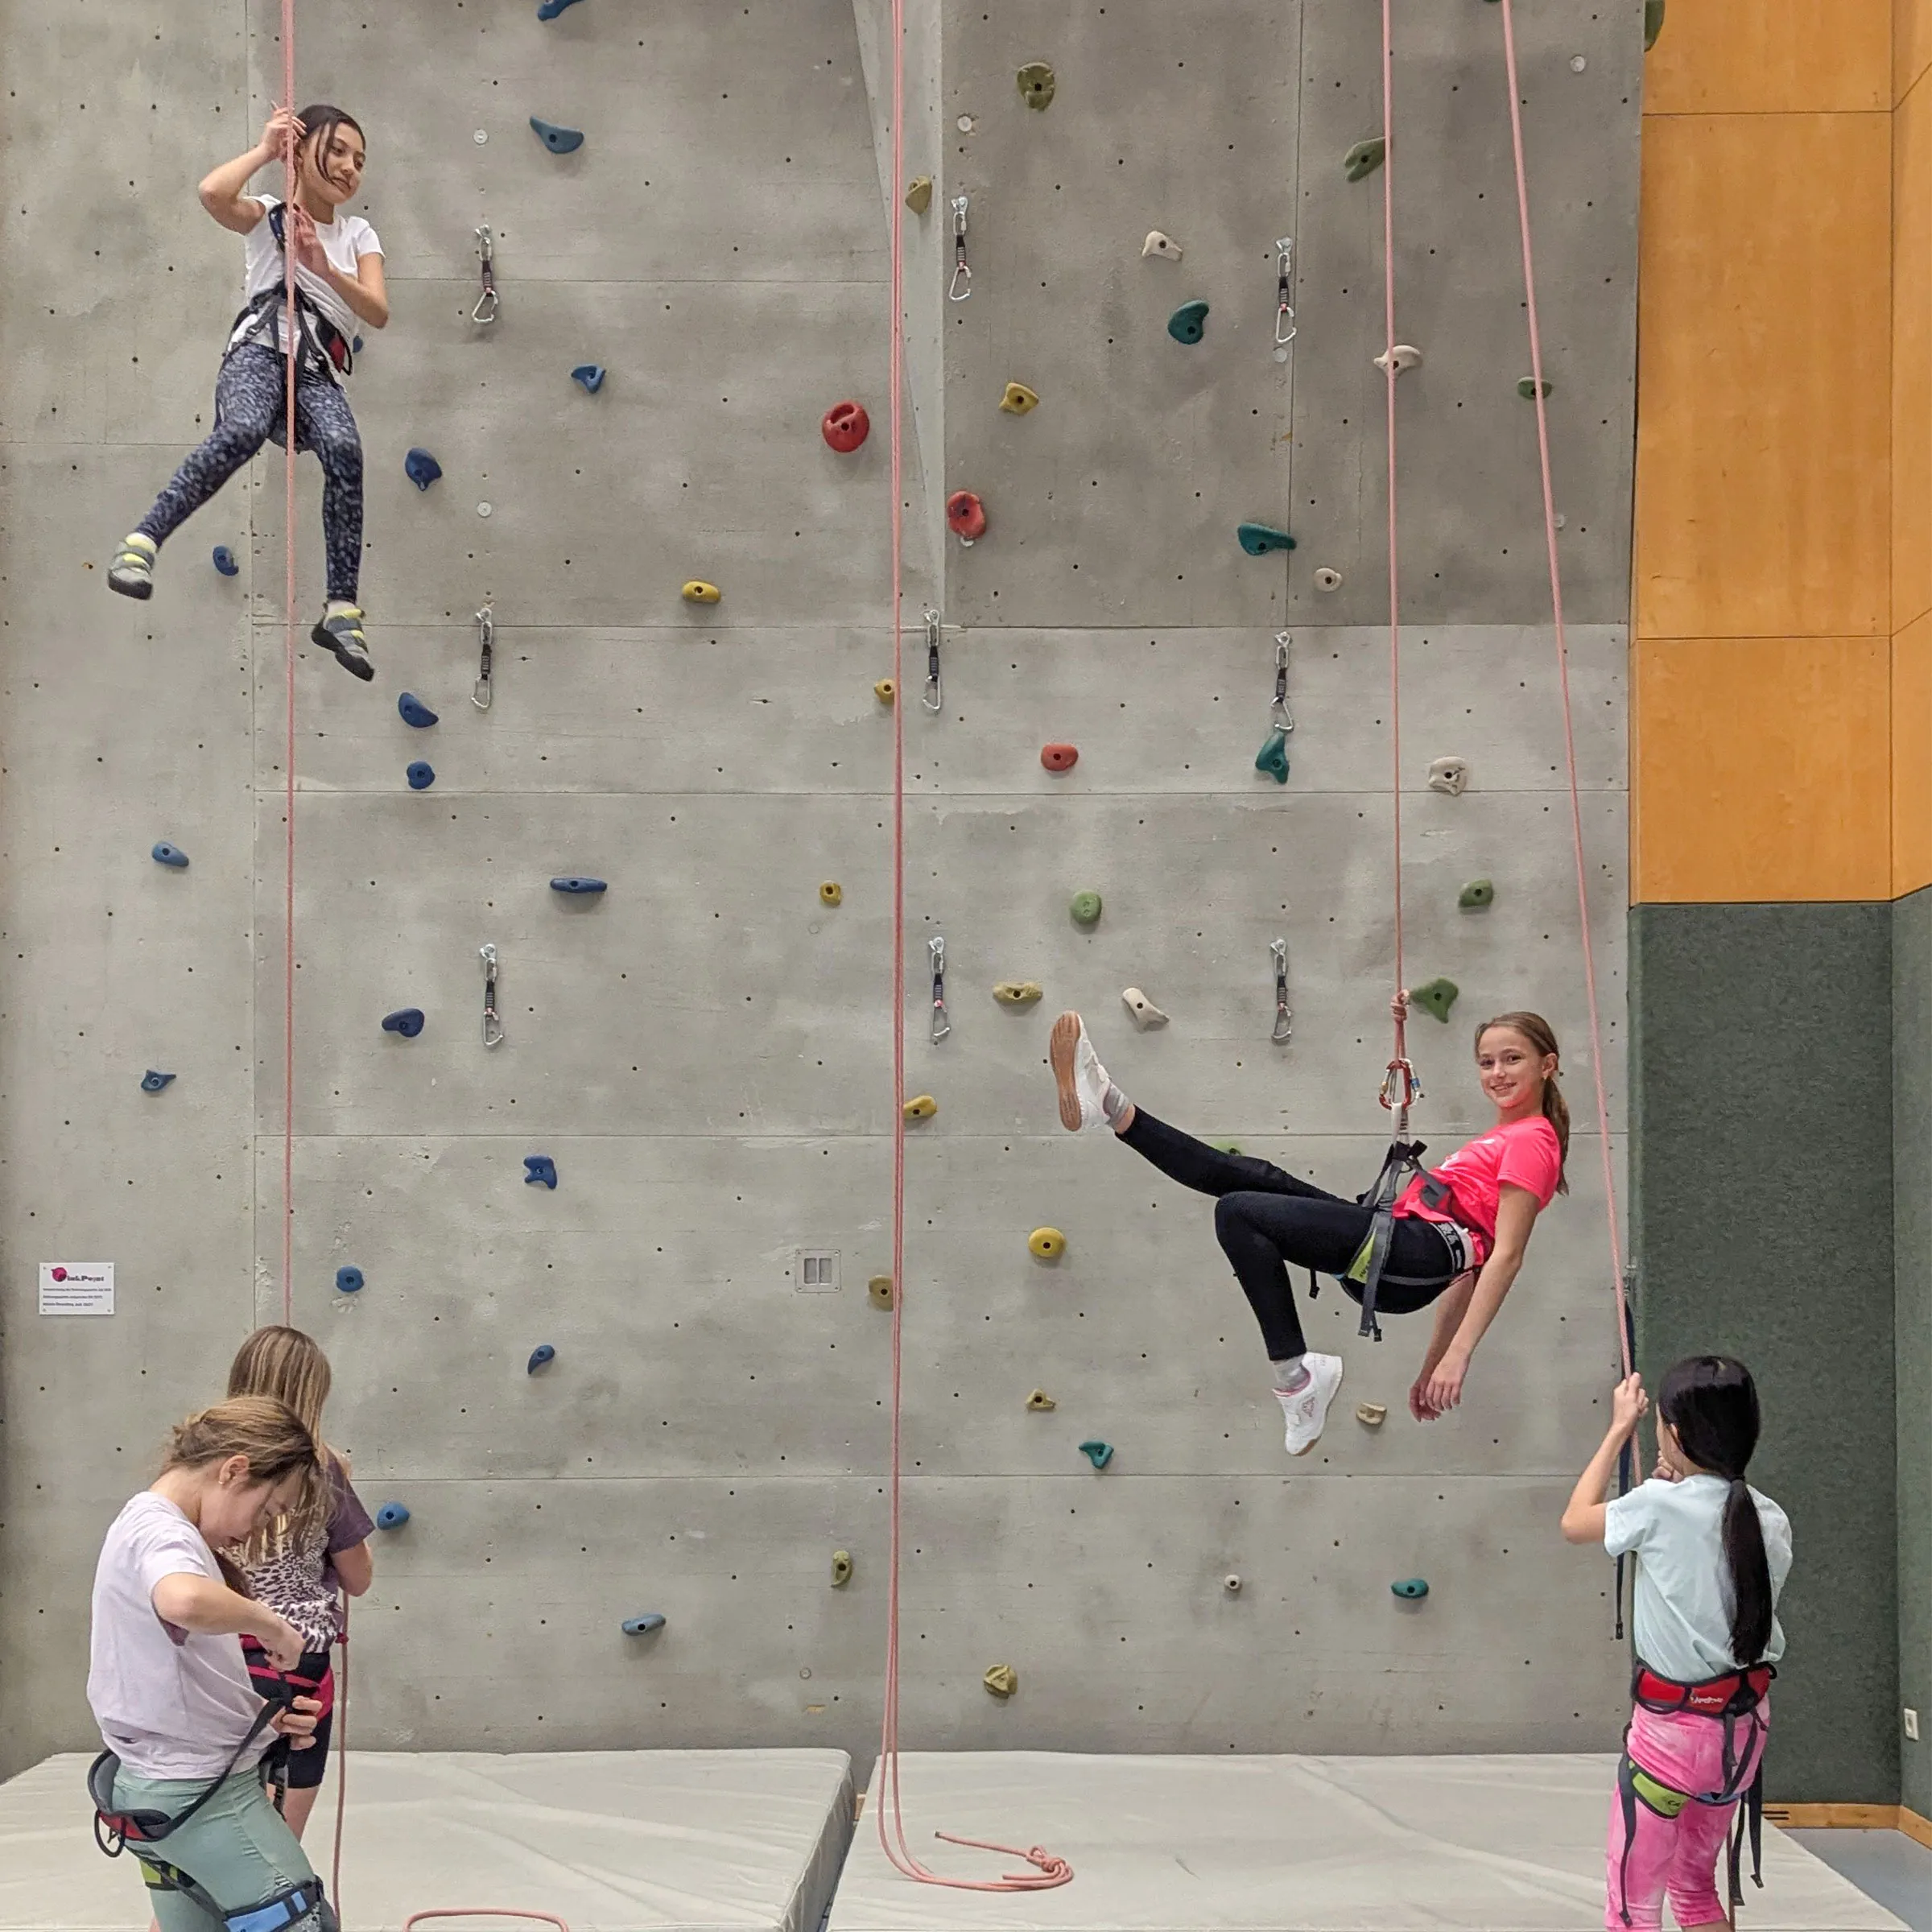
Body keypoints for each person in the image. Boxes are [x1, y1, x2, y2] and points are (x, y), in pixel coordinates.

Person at [1047, 997, 1567, 1456]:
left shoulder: (1532, 1141)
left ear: (1547, 1065)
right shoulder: (1505, 1136)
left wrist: (1458, 1357)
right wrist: (1432, 1365)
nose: (1497, 1073)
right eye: (1486, 1062)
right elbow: (1470, 1270)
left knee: (1238, 1210)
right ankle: (1111, 1106)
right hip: (1401, 1247)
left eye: (1512, 1059)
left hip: (1412, 1254)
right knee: (1253, 1178)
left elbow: (1504, 1257)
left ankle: (1296, 1381)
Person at [108, 105, 386, 682]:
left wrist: (324, 267)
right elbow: (213, 194)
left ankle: (341, 609)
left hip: (315, 372)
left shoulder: (358, 234)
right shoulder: (269, 216)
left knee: (345, 450)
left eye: (359, 160)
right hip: (260, 353)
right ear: (301, 150)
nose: (349, 168)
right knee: (241, 428)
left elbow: (377, 311)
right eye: (337, 150)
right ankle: (142, 542)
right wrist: (265, 150)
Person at [86, 1396, 336, 1932]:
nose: (257, 1530)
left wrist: (257, 1719)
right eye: (267, 1510)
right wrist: (273, 1625)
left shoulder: (146, 1524)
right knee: (304, 1922)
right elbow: (183, 1601)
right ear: (234, 1470)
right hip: (200, 1796)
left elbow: (168, 1676)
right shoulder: (163, 1530)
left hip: (152, 1791)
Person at [1561, 1358, 1790, 1931]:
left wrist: (1619, 1428)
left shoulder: (1656, 1507)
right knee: (1696, 1893)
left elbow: (1574, 1521)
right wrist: (1677, 1484)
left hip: (1671, 1740)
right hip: (1742, 1736)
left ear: (1675, 1433)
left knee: (1633, 1910)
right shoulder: (1771, 1518)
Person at [226, 1326, 374, 1842]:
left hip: (217, 1655)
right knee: (277, 1847)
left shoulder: (210, 1467)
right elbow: (358, 1578)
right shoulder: (322, 1468)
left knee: (211, 1827)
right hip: (298, 1658)